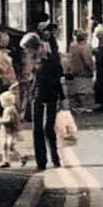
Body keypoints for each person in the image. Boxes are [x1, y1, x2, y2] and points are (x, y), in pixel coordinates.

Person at [25, 30, 66, 171]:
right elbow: (30, 80)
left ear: (35, 47)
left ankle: (55, 158)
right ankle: (41, 162)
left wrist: (63, 98)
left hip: (51, 95)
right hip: (36, 97)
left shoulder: (52, 59)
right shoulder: (31, 61)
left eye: (28, 49)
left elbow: (59, 79)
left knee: (48, 128)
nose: (27, 52)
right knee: (37, 129)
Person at [0, 85, 28, 169]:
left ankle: (20, 157)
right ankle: (6, 161)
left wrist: (0, 120)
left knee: (9, 146)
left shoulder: (9, 109)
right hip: (8, 130)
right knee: (6, 146)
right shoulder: (10, 109)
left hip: (9, 131)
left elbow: (9, 120)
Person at [65, 31, 95, 114]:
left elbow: (69, 58)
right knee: (85, 90)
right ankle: (85, 106)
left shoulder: (72, 46)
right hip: (84, 72)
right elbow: (87, 61)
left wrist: (69, 68)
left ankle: (77, 106)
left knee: (77, 89)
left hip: (75, 71)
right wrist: (90, 69)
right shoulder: (85, 47)